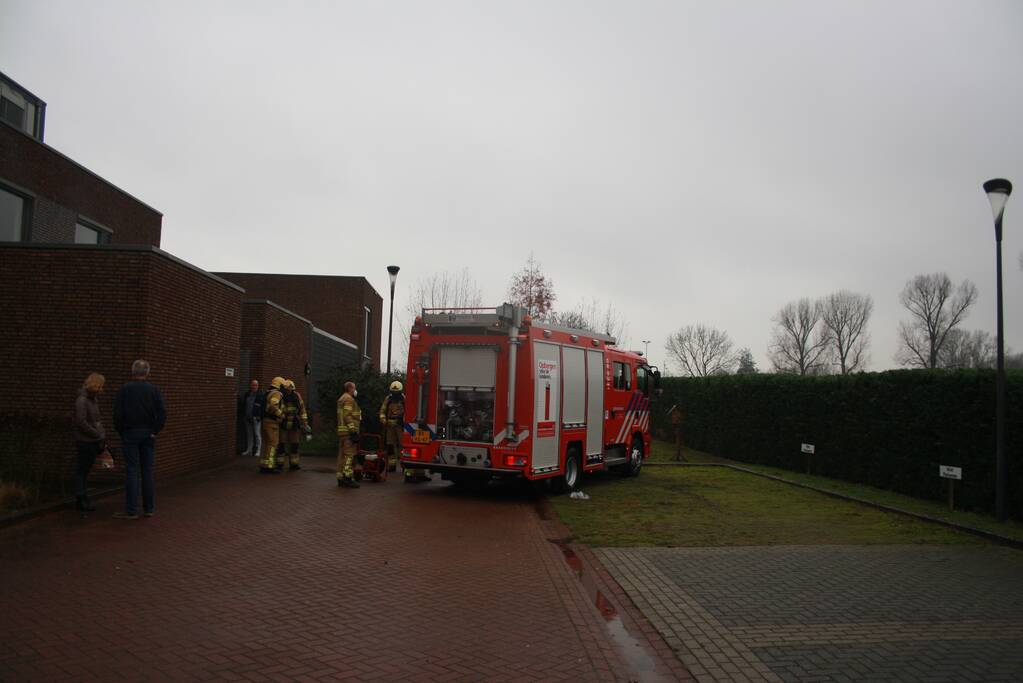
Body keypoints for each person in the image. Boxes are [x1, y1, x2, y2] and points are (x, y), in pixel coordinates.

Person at [112, 359, 166, 519]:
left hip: (130, 433)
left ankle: (132, 509)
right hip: (148, 433)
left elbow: (117, 414)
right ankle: (149, 508)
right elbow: (162, 412)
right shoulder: (154, 390)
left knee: (132, 470)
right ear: (147, 373)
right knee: (147, 471)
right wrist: (155, 430)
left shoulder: (125, 389)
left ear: (132, 371)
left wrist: (122, 431)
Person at [72, 372, 106, 512]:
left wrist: (102, 434)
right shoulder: (82, 400)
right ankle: (81, 498)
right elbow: (81, 421)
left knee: (85, 470)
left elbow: (96, 420)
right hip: (85, 441)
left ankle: (83, 496)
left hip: (94, 440)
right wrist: (97, 434)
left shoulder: (93, 399)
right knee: (82, 470)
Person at [280, 379, 311, 470]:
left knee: (295, 445)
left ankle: (294, 464)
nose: (289, 390)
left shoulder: (297, 396)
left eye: (290, 389)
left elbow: (302, 409)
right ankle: (279, 463)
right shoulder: (281, 396)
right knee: (281, 445)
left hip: (294, 423)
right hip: (283, 423)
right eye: (287, 389)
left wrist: (304, 421)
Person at [336, 381, 361, 488]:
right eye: (354, 388)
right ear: (350, 388)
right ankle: (348, 477)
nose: (355, 390)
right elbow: (347, 416)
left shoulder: (341, 398)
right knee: (349, 455)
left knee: (341, 455)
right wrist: (353, 430)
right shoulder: (349, 399)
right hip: (348, 432)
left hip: (342, 432)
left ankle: (340, 477)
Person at [260, 376, 286, 473]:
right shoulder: (276, 393)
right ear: (279, 385)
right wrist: (281, 415)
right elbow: (273, 405)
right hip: (272, 423)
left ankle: (263, 465)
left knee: (266, 444)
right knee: (272, 444)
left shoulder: (268, 392)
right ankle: (269, 466)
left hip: (265, 422)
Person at [238, 379, 265, 458]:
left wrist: (259, 416)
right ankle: (249, 450)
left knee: (257, 434)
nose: (254, 387)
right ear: (250, 385)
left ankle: (258, 450)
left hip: (256, 418)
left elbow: (262, 407)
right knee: (249, 435)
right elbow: (244, 405)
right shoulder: (247, 394)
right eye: (253, 385)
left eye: (256, 385)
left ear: (258, 386)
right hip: (247, 418)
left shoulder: (260, 395)